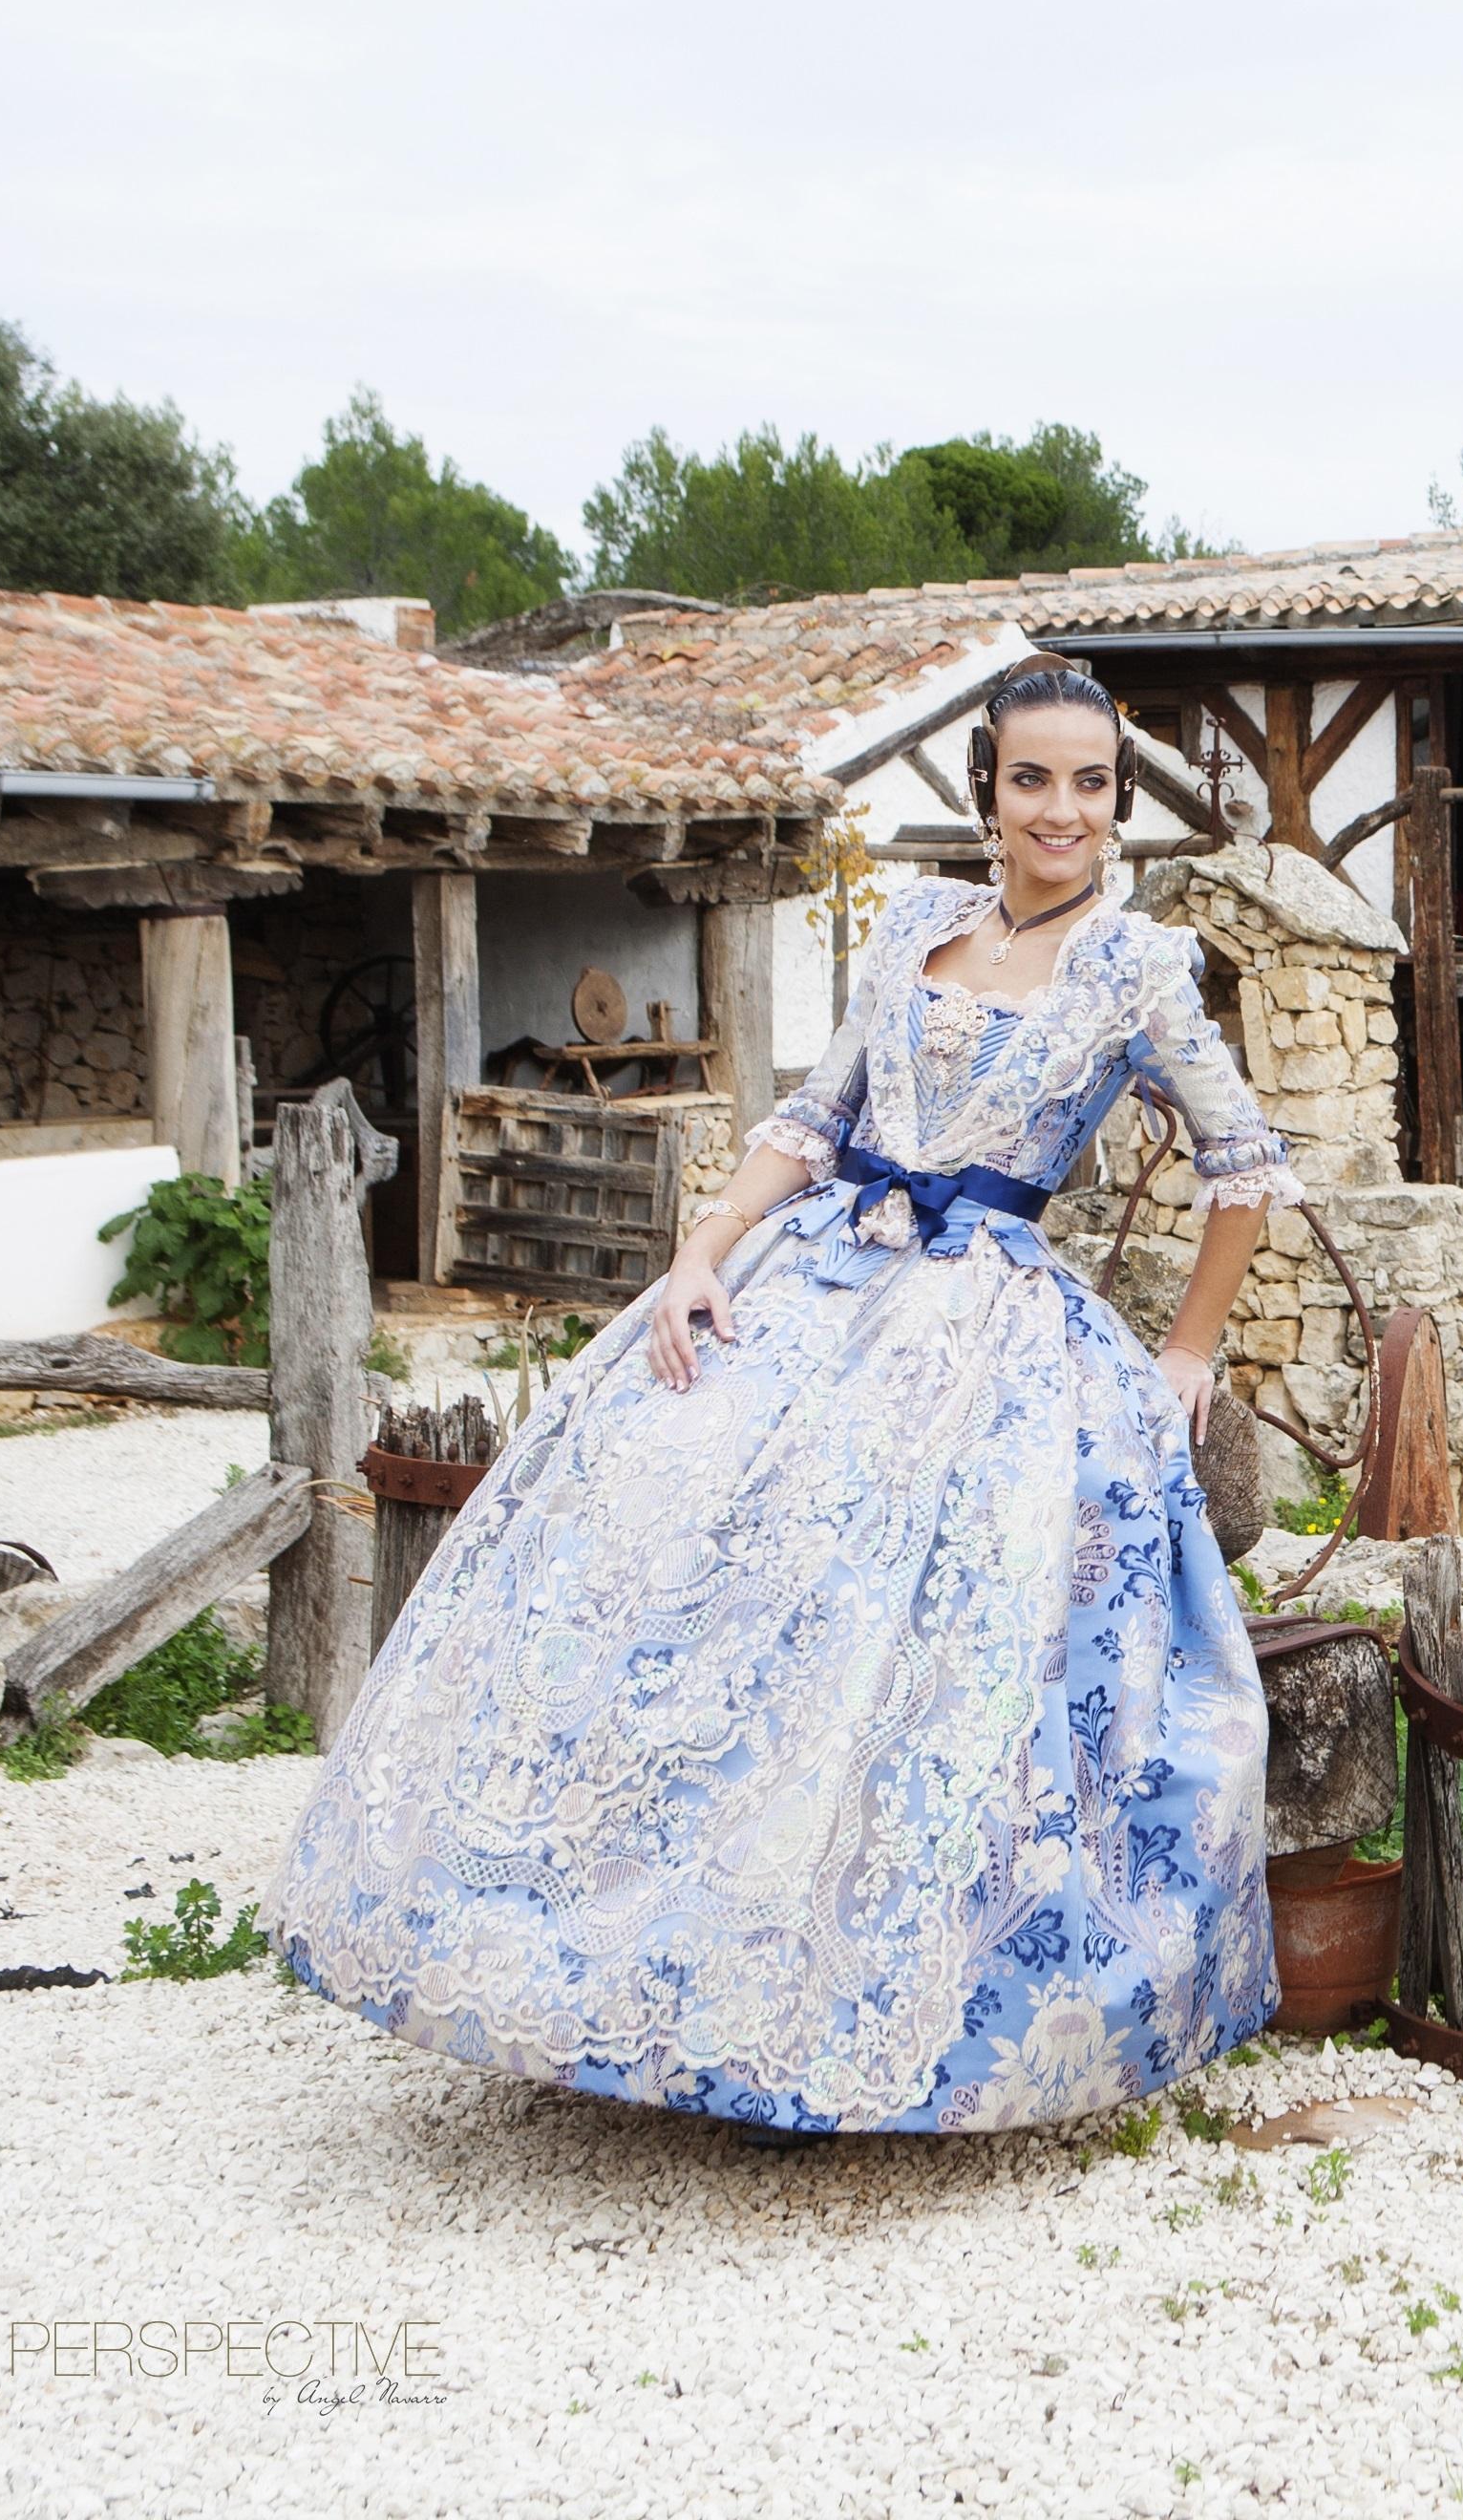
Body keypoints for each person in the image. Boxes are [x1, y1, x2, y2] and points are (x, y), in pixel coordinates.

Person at [267, 663, 1296, 2144]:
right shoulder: (911, 931)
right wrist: (700, 1251)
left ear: (1117, 803)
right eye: (1030, 780)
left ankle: (872, 1995)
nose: (1058, 810)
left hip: (985, 1321)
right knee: (664, 1535)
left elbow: (1243, 1167)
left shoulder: (1138, 970)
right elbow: (816, 1123)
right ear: (984, 792)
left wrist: (1187, 1352)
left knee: (923, 1633)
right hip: (821, 1274)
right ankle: (620, 1955)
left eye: (1089, 783)